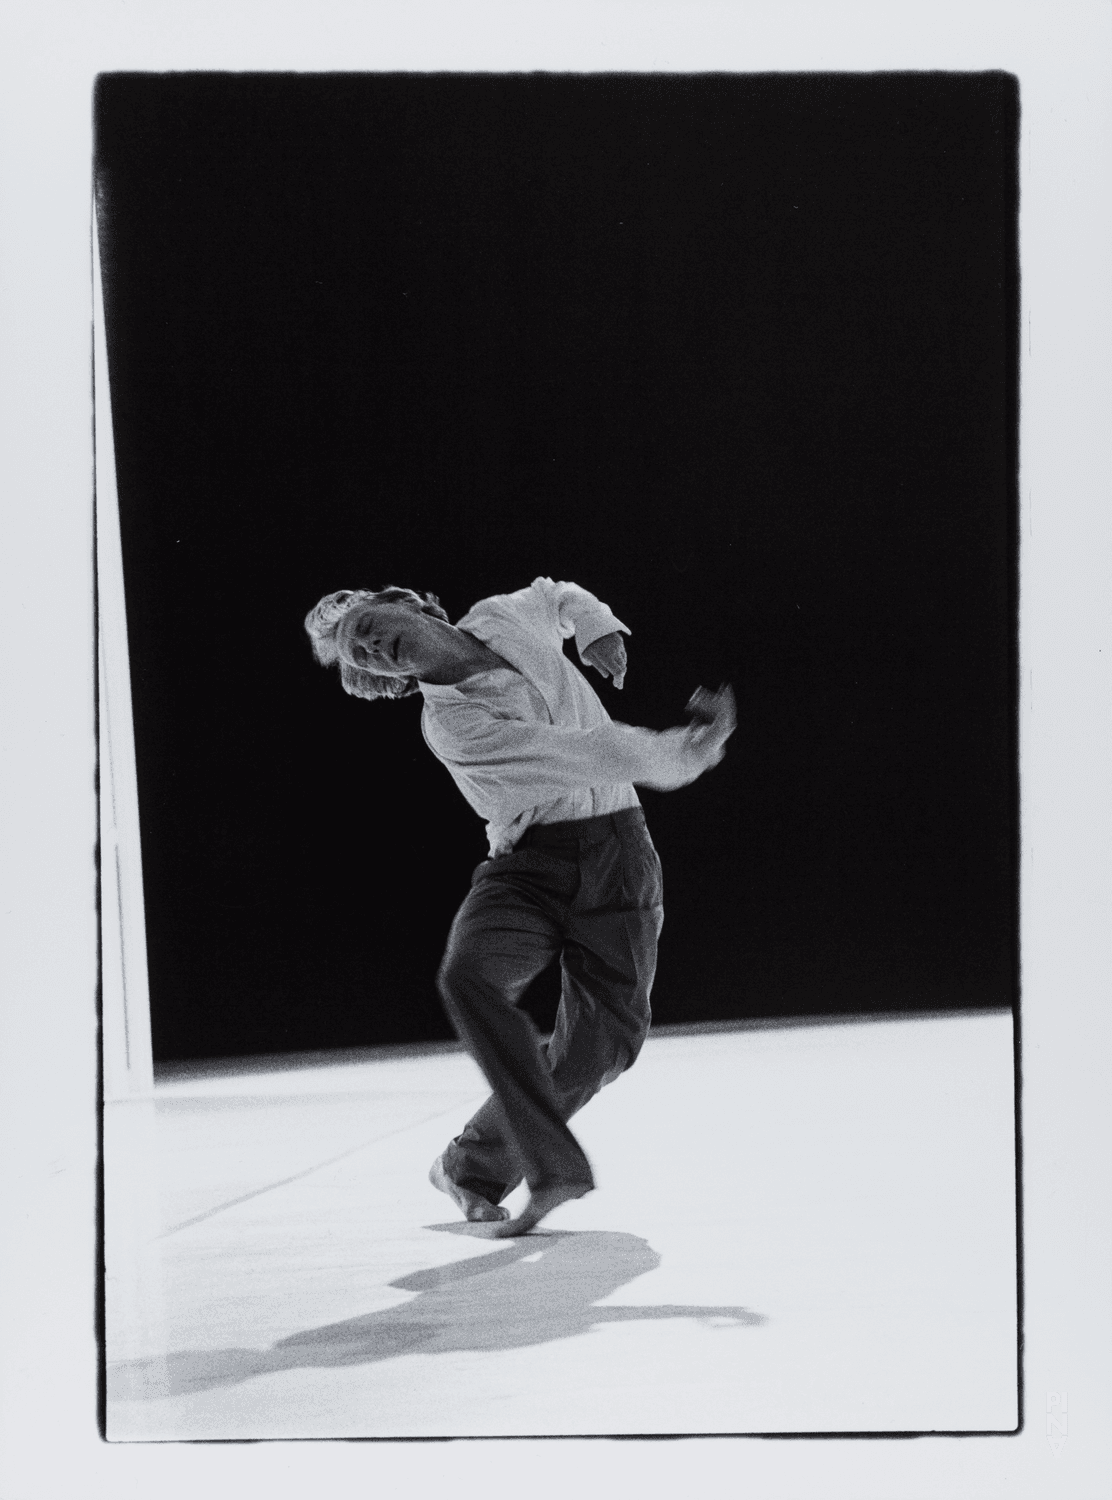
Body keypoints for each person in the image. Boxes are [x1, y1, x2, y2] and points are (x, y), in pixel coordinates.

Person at [304, 577, 736, 1237]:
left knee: (603, 1047)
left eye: (366, 625)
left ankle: (468, 1167)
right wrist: (684, 755)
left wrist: (596, 627)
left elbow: (554, 593)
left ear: (408, 602)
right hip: (530, 867)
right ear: (381, 680)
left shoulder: (502, 617)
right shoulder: (454, 725)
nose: (370, 646)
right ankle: (552, 1170)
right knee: (468, 976)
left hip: (621, 851)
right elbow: (581, 755)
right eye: (360, 656)